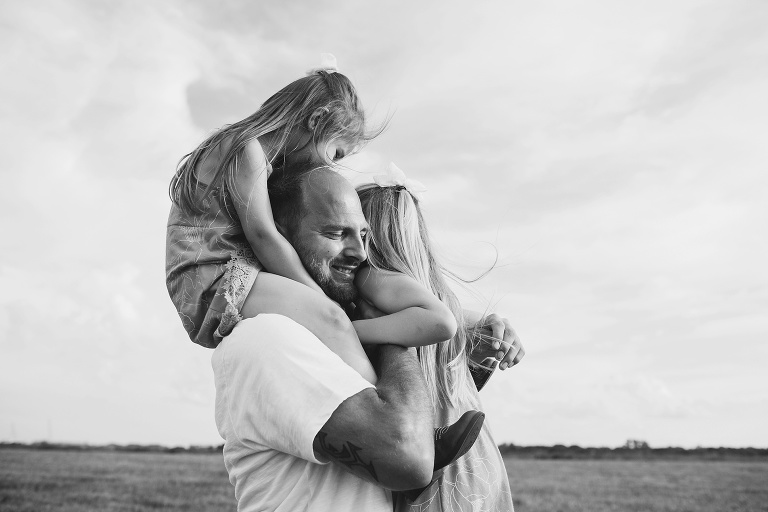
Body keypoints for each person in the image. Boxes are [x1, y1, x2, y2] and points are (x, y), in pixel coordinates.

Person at [213, 165, 521, 511]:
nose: (358, 255)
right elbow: (404, 452)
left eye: (362, 236)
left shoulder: (348, 314)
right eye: (334, 233)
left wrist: (360, 328)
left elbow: (443, 322)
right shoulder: (272, 336)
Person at [166, 54, 378, 382]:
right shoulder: (245, 148)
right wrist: (317, 297)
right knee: (331, 319)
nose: (330, 167)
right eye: (335, 153)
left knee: (338, 313)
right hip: (212, 279)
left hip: (225, 269)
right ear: (316, 120)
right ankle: (388, 416)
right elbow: (263, 235)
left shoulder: (255, 155)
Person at [354, 163, 524, 510]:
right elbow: (469, 322)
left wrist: (345, 329)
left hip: (431, 463)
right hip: (477, 465)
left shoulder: (370, 283)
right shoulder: (442, 302)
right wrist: (493, 323)